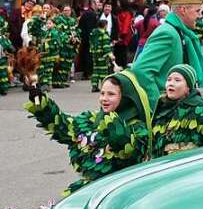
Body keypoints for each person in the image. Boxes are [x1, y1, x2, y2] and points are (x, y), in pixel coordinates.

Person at [24, 70, 152, 195]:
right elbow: (63, 127)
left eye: (111, 94)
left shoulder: (137, 128)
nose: (104, 99)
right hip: (88, 191)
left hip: (117, 194)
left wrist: (118, 135)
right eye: (102, 93)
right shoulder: (90, 120)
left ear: (124, 97)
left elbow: (133, 154)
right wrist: (42, 104)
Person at [130, 0, 203, 106]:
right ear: (183, 10)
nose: (200, 16)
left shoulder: (180, 32)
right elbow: (141, 70)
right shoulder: (168, 33)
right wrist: (158, 104)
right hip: (166, 108)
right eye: (197, 11)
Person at [150, 64, 203, 157]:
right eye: (169, 79)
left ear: (188, 87)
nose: (171, 83)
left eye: (177, 80)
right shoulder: (161, 108)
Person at [51, 5, 78, 89]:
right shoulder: (58, 20)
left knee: (67, 64)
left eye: (68, 10)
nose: (67, 12)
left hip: (70, 46)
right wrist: (67, 38)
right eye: (65, 10)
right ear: (62, 11)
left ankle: (64, 81)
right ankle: (57, 82)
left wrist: (76, 38)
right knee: (60, 64)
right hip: (62, 45)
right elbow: (57, 32)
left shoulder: (73, 21)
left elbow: (76, 31)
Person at [90, 16, 115, 92]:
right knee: (103, 71)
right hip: (102, 56)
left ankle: (94, 86)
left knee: (95, 71)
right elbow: (106, 47)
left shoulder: (93, 34)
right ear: (105, 26)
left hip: (95, 55)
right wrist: (111, 55)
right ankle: (104, 86)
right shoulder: (104, 35)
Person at [77, 0, 99, 78]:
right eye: (97, 3)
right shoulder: (90, 14)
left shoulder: (89, 13)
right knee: (88, 56)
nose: (98, 5)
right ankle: (88, 73)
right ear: (93, 4)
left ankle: (86, 72)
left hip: (85, 38)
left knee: (86, 55)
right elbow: (90, 28)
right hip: (88, 39)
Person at [0, 7, 13, 95]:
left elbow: (6, 43)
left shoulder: (2, 37)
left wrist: (9, 46)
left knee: (3, 71)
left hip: (2, 55)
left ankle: (4, 88)